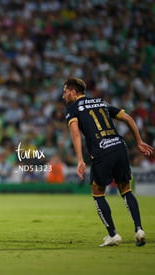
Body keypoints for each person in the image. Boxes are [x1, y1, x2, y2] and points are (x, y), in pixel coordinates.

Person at [62, 77, 154, 247]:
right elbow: (128, 119)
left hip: (101, 150)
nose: (63, 95)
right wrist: (139, 141)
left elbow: (75, 133)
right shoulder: (100, 102)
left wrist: (80, 160)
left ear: (74, 92)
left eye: (65, 91)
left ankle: (113, 234)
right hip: (120, 147)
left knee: (98, 193)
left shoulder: (72, 108)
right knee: (126, 190)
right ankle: (139, 229)